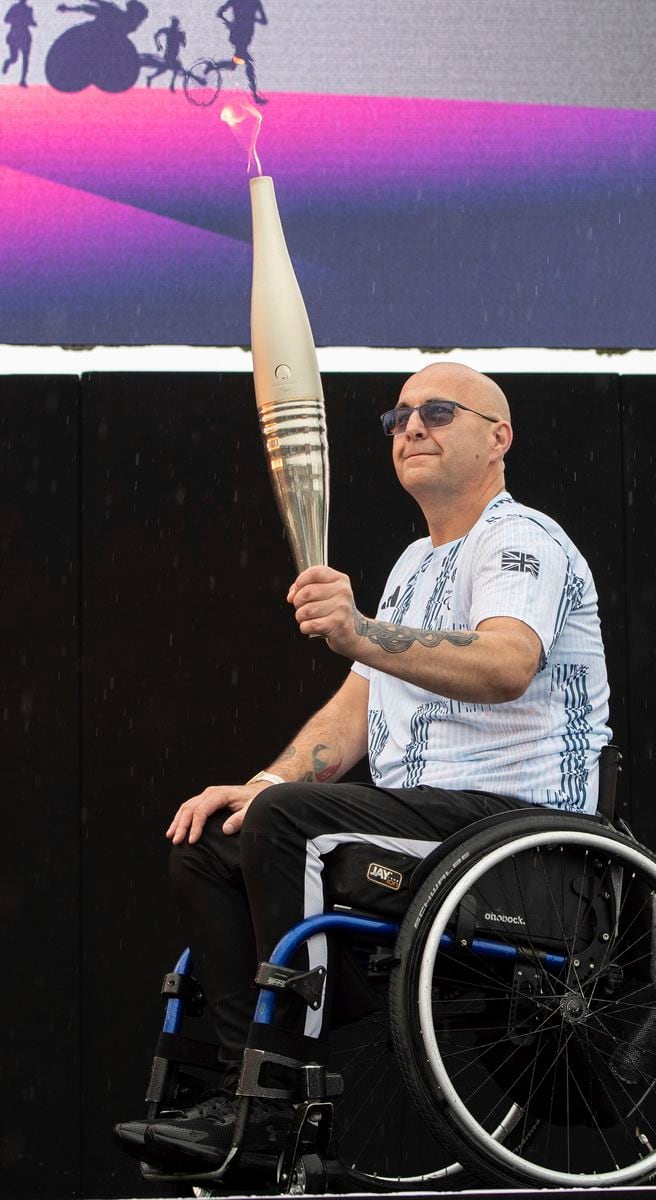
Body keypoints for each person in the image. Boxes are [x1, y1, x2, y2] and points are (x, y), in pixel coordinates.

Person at [113, 362, 612, 1173]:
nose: (410, 427)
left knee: (282, 830)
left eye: (438, 412)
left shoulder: (522, 541)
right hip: (432, 831)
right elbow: (355, 710)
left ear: (499, 437)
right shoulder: (415, 564)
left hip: (521, 839)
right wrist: (267, 783)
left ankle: (276, 1099)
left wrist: (360, 632)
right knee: (215, 839)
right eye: (400, 415)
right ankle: (252, 1093)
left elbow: (507, 663)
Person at [2, 0, 36, 86]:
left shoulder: (29, 9)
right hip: (15, 34)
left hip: (25, 35)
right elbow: (6, 19)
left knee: (25, 58)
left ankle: (23, 80)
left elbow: (32, 21)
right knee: (14, 58)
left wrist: (31, 23)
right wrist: (17, 21)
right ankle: (7, 62)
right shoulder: (14, 8)